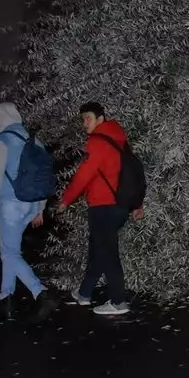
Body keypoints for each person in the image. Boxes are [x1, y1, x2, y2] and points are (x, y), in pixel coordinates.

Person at [57, 101, 141, 316]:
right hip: (119, 205)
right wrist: (136, 204)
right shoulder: (120, 140)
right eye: (83, 118)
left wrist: (66, 199)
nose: (85, 123)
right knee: (98, 250)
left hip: (103, 206)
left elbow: (84, 174)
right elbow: (132, 174)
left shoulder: (97, 141)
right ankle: (84, 293)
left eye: (88, 118)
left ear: (100, 119)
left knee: (107, 254)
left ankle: (118, 302)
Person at [0, 102, 59, 322]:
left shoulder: (1, 141)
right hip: (32, 204)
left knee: (9, 253)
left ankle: (40, 293)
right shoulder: (35, 140)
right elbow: (42, 176)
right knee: (11, 252)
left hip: (10, 206)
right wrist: (41, 209)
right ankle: (6, 298)